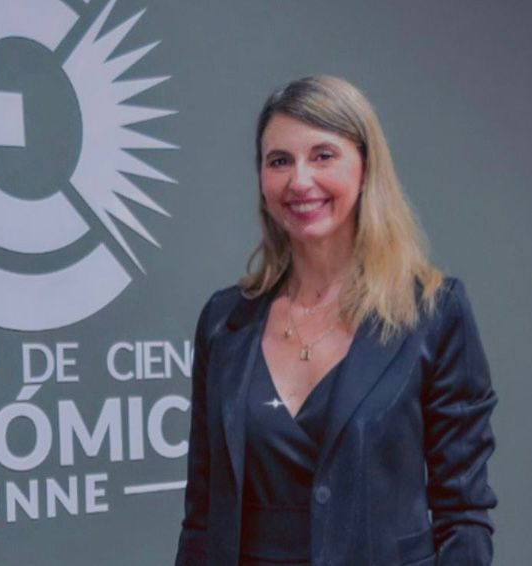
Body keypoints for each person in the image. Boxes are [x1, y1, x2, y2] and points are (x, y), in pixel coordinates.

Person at [174, 75, 497, 566]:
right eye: (279, 161)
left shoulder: (434, 311)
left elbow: (464, 514)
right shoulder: (224, 321)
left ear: (366, 168)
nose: (299, 181)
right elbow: (202, 517)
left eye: (323, 156)